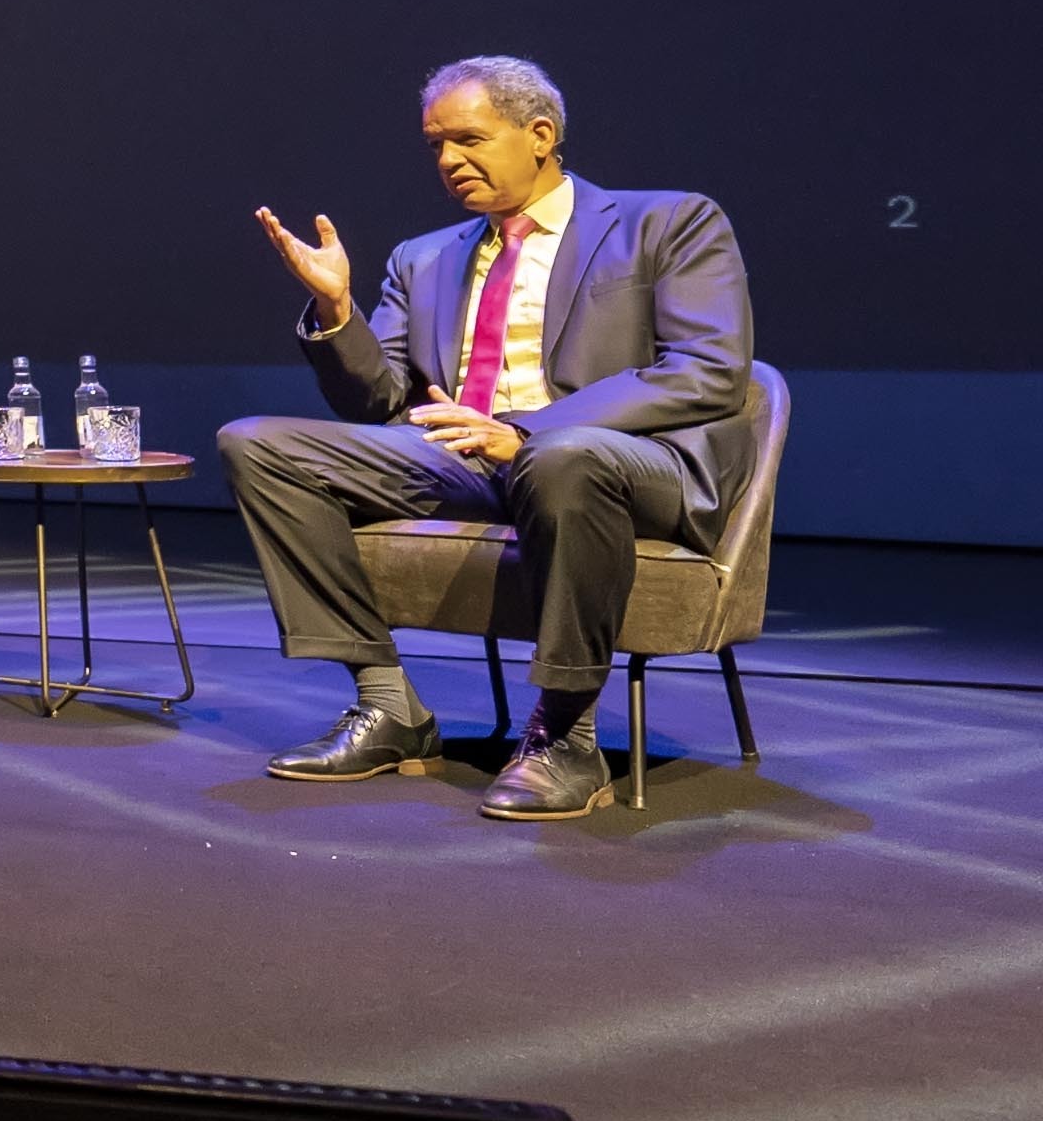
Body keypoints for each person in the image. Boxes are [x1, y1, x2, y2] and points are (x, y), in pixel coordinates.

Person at [223, 54, 756, 820]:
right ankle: (387, 705)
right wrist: (338, 314)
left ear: (539, 134)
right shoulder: (422, 257)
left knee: (562, 458)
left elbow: (706, 370)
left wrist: (526, 431)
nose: (447, 160)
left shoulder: (667, 222)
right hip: (467, 461)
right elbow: (379, 402)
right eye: (435, 145)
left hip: (619, 462)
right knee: (257, 444)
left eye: (467, 139)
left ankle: (565, 734)